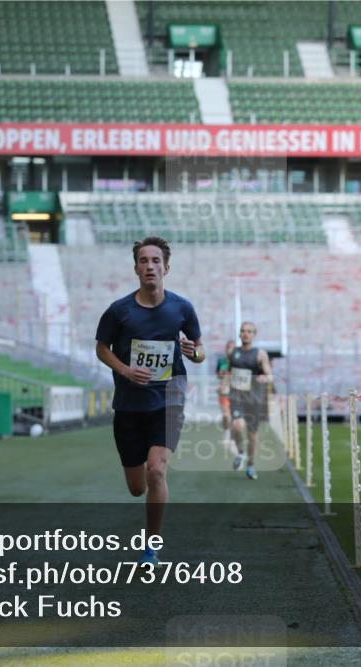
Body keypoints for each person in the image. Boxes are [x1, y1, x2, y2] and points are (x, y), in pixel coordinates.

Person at [96, 237, 204, 566]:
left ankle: (150, 547)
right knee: (136, 487)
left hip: (168, 400)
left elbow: (200, 351)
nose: (149, 266)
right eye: (143, 261)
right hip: (129, 405)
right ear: (136, 269)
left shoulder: (182, 308)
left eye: (155, 261)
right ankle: (143, 491)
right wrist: (126, 370)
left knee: (156, 471)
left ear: (166, 268)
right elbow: (102, 349)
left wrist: (194, 352)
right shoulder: (119, 311)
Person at [229, 321, 272, 480]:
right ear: (240, 334)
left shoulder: (260, 354)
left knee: (252, 435)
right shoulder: (233, 353)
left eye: (249, 331)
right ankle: (240, 452)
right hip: (237, 397)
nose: (245, 333)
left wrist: (264, 377)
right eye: (243, 331)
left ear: (254, 334)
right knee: (237, 425)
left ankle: (251, 464)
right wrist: (224, 382)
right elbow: (230, 372)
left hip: (254, 399)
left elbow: (269, 374)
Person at [216, 340, 236, 450]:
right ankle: (227, 433)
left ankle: (232, 437)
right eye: (229, 347)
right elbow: (219, 375)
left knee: (234, 415)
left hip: (236, 391)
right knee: (226, 415)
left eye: (233, 347)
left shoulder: (240, 362)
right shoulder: (222, 361)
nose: (231, 349)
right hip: (224, 390)